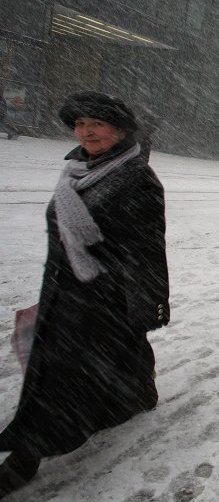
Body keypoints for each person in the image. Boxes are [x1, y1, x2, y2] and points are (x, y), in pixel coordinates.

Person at [0, 91, 170, 497]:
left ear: (120, 130)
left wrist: (149, 300)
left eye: (97, 124)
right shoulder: (77, 169)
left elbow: (148, 246)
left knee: (63, 376)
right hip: (62, 288)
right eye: (80, 124)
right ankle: (139, 393)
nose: (86, 132)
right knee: (119, 352)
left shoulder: (137, 179)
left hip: (101, 296)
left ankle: (26, 455)